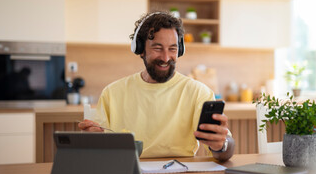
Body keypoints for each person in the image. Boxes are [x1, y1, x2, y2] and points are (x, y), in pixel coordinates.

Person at [78, 11, 235, 161]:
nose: (166, 57)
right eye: (157, 48)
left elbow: (225, 153)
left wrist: (222, 145)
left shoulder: (198, 92)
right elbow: (99, 149)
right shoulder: (112, 93)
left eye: (172, 48)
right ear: (140, 50)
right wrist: (91, 139)